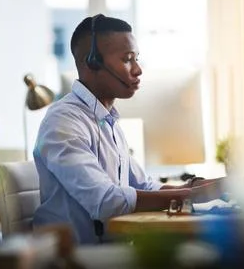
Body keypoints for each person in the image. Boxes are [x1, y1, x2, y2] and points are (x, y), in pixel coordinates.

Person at [33, 14, 227, 244]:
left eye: (137, 59)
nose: (138, 70)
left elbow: (142, 185)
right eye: (127, 59)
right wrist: (190, 196)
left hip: (108, 252)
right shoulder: (64, 122)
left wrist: (200, 187)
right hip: (77, 258)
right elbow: (106, 201)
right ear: (92, 62)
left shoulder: (107, 121)